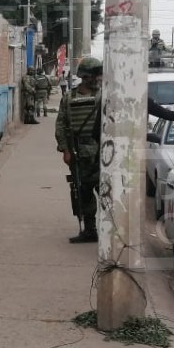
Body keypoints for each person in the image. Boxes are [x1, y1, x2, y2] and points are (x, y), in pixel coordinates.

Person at [55, 56, 103, 243]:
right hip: (79, 153)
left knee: (107, 191)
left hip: (101, 152)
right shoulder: (69, 98)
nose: (98, 79)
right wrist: (65, 150)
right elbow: (61, 125)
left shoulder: (104, 95)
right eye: (95, 75)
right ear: (85, 76)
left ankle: (111, 229)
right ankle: (90, 230)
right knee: (82, 192)